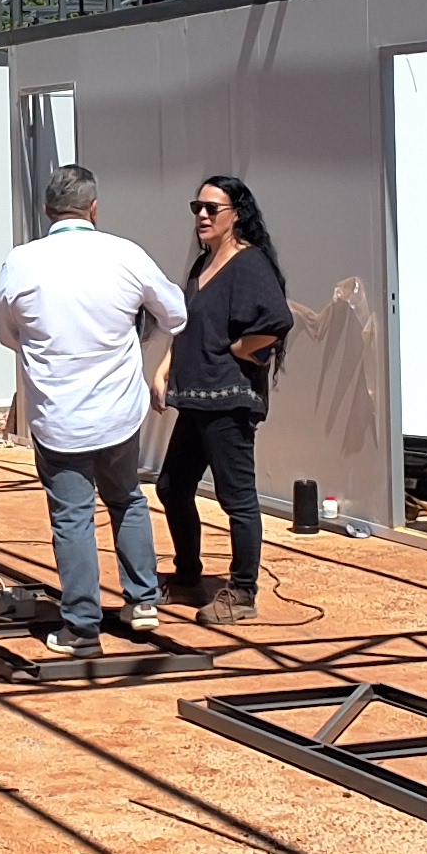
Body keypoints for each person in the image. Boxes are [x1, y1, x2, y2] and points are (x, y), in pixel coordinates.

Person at [0, 164, 187, 657]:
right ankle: (142, 600)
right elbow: (176, 312)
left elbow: (6, 332)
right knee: (126, 498)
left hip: (57, 415)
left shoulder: (22, 261)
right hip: (118, 411)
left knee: (72, 517)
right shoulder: (124, 255)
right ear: (94, 207)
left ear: (46, 210)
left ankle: (82, 627)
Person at [154, 175, 295, 625]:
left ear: (237, 215)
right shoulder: (202, 266)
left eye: (213, 208)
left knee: (237, 499)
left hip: (229, 401)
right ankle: (188, 575)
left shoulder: (249, 265)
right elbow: (187, 325)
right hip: (196, 399)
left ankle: (242, 592)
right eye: (198, 206)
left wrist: (240, 350)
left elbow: (276, 322)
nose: (202, 215)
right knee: (172, 488)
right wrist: (163, 367)